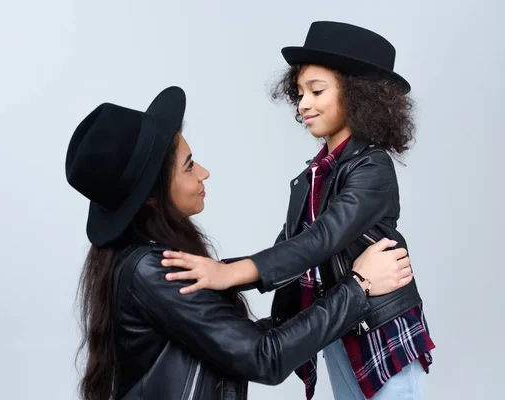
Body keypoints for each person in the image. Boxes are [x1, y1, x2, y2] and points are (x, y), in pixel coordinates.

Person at [65, 86, 414, 400]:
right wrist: (359, 286)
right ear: (152, 197)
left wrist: (321, 295)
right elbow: (265, 357)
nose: (203, 172)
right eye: (188, 167)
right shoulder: (153, 271)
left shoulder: (146, 261)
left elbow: (224, 342)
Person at [161, 22, 435, 399]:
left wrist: (228, 274)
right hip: (342, 327)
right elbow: (289, 248)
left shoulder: (373, 169)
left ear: (359, 95)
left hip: (381, 331)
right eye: (300, 92)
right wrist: (219, 273)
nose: (303, 103)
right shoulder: (313, 176)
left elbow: (320, 241)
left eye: (317, 91)